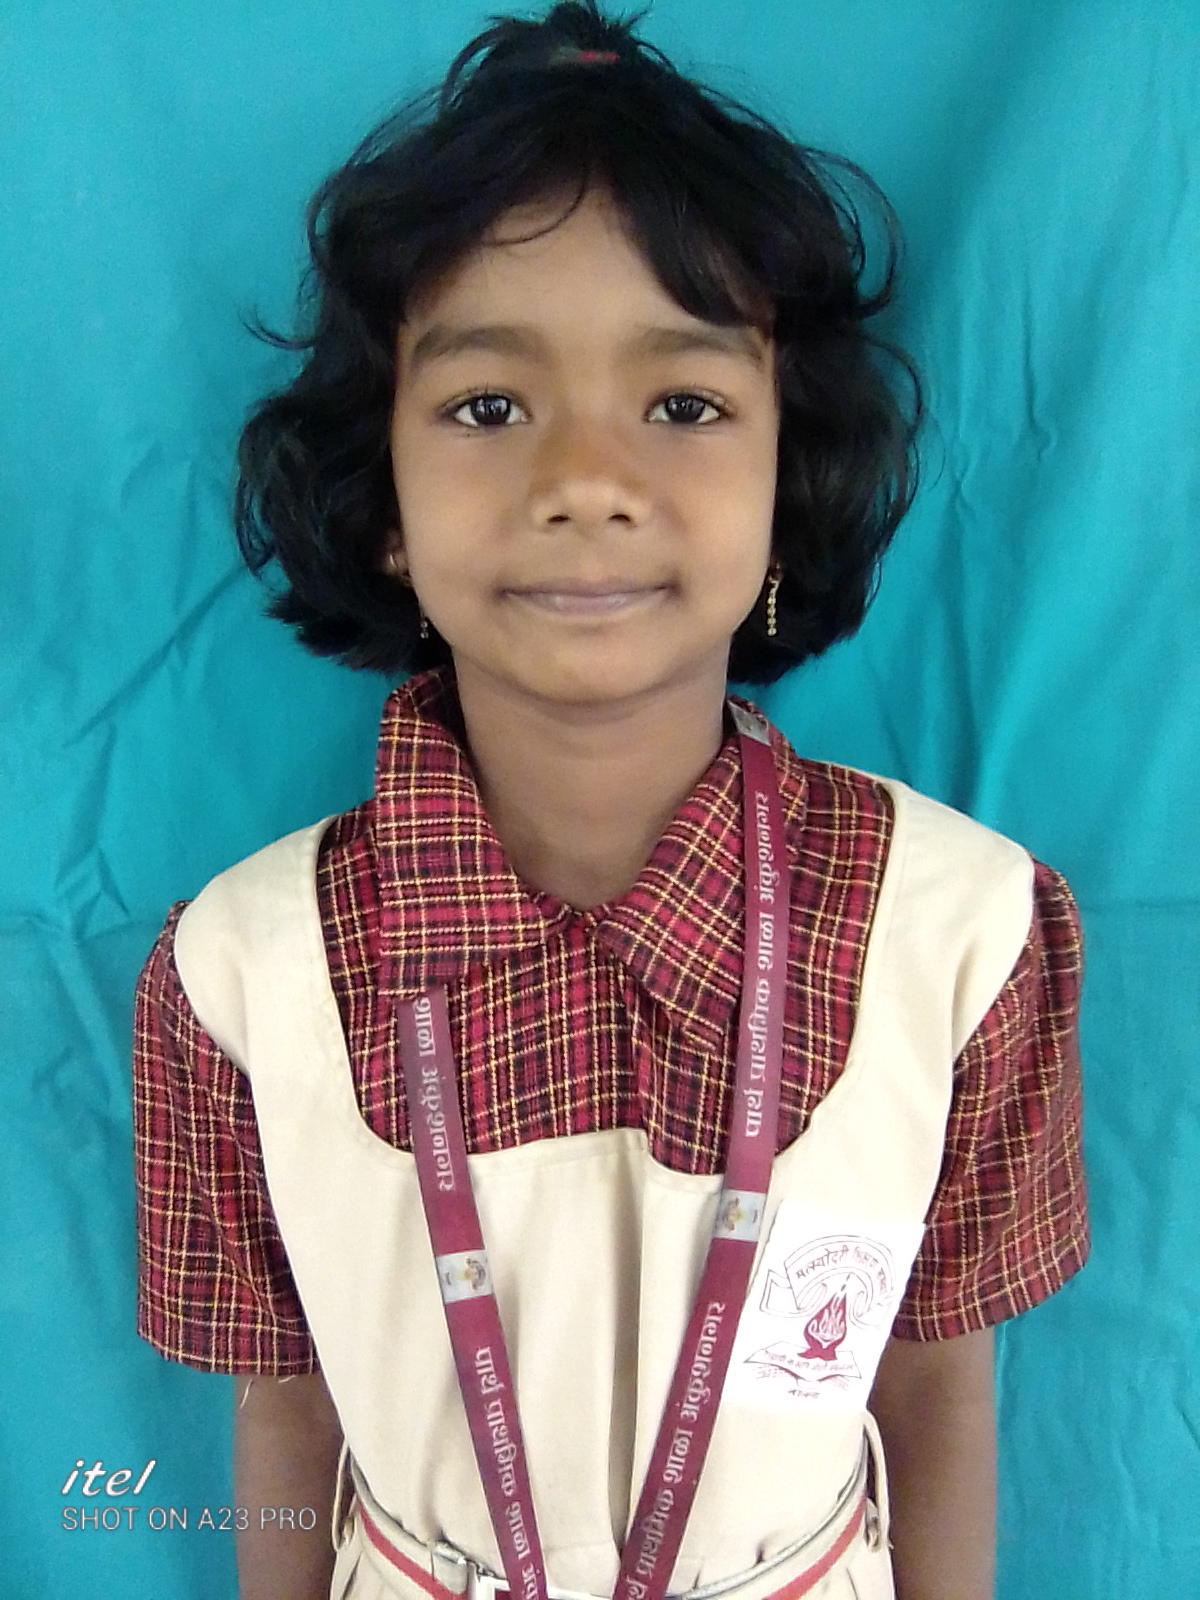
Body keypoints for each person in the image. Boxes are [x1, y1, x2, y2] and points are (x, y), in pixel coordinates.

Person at [132, 4, 1088, 1598]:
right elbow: (283, 1413)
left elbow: (937, 1389)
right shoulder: (239, 977)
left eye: (686, 405)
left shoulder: (965, 940)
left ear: (788, 478)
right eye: (487, 407)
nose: (585, 479)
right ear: (386, 506)